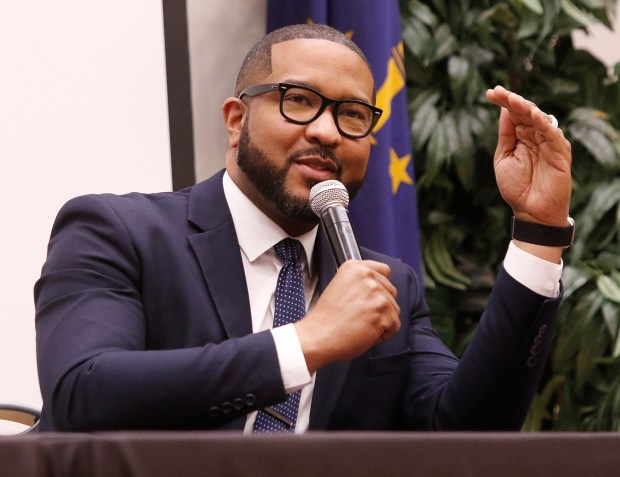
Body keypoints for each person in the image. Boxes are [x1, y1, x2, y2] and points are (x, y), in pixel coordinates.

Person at [35, 23, 572, 433]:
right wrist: (304, 343)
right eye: (299, 101)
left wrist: (539, 230)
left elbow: (463, 432)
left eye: (353, 115)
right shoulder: (117, 231)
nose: (327, 132)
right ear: (237, 120)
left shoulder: (385, 283)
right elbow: (83, 393)